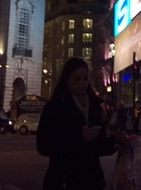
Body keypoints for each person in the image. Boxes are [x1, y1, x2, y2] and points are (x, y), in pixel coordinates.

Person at [40, 57, 116, 190]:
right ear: (67, 80)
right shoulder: (55, 107)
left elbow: (99, 147)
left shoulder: (95, 105)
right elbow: (43, 145)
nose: (82, 82)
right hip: (65, 179)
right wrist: (77, 137)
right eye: (77, 78)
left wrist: (116, 142)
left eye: (85, 78)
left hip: (92, 180)